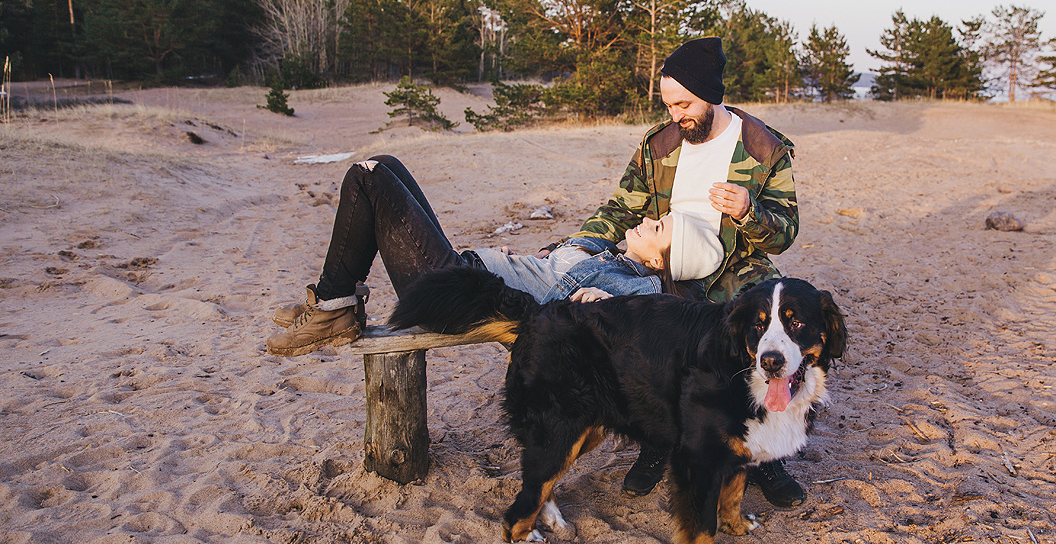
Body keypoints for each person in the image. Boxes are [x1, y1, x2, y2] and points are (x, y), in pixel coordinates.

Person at [563, 36, 808, 508]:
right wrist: (581, 245)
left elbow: (784, 234)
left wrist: (748, 211)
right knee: (655, 346)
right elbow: (620, 208)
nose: (676, 114)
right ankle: (658, 442)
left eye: (684, 103)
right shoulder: (660, 144)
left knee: (755, 341)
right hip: (667, 263)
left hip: (735, 266)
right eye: (669, 104)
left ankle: (767, 459)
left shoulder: (763, 148)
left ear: (711, 94)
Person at [265, 154, 723, 357]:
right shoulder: (612, 253)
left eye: (657, 229)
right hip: (464, 273)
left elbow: (635, 323)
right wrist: (532, 258)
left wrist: (597, 308)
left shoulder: (634, 287)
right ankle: (330, 299)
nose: (646, 221)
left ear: (659, 263)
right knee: (384, 162)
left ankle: (332, 308)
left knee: (369, 177)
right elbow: (559, 265)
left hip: (456, 295)